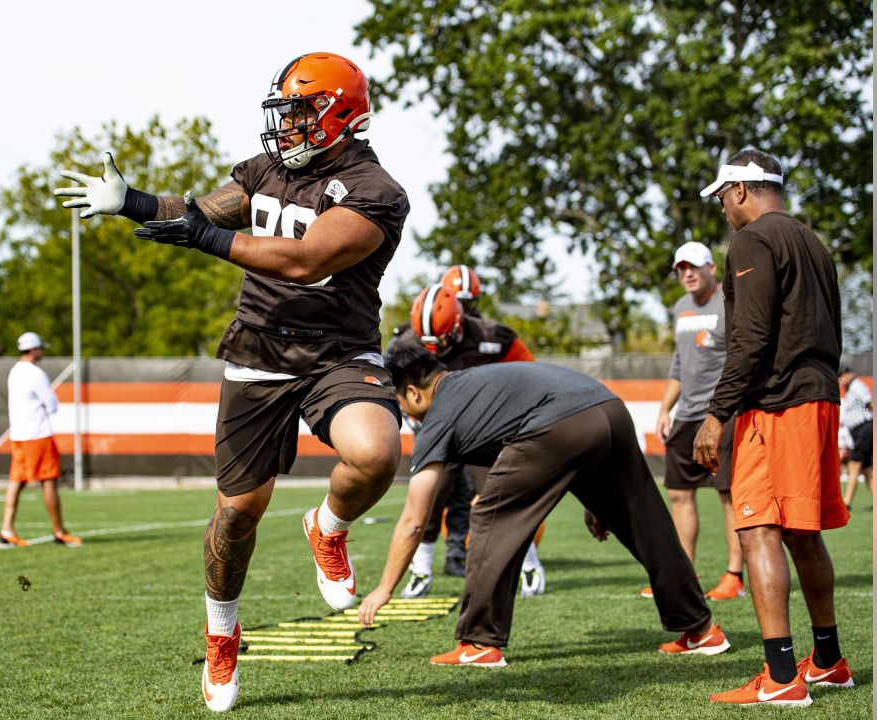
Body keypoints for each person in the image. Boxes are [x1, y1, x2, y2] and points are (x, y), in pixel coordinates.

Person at [55, 52, 408, 713]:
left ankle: (328, 527)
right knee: (236, 516)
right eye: (287, 113)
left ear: (340, 116)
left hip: (337, 352)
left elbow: (303, 261)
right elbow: (202, 211)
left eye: (301, 114)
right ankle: (222, 635)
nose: (288, 127)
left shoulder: (375, 190)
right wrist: (132, 202)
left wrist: (203, 239)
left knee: (377, 452)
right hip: (256, 351)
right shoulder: (267, 169)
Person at [360, 344, 730, 667]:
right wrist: (601, 499)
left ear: (413, 391)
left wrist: (385, 588)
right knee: (648, 524)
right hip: (608, 408)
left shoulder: (440, 411)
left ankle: (478, 642)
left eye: (402, 406)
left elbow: (414, 518)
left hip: (562, 423)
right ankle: (700, 629)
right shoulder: (476, 383)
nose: (408, 417)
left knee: (490, 516)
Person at [693, 149, 853, 707]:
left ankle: (781, 676)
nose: (722, 210)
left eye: (721, 199)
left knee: (758, 528)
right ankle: (828, 662)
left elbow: (752, 338)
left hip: (778, 402)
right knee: (803, 532)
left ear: (739, 191)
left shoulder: (751, 240)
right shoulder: (813, 240)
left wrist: (716, 415)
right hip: (819, 395)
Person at [388, 283, 544, 598]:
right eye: (426, 341)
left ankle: (529, 565)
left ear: (459, 326)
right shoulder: (405, 342)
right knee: (429, 499)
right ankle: (421, 571)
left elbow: (530, 373)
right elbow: (393, 386)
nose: (433, 349)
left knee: (500, 495)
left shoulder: (490, 336)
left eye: (441, 340)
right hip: (438, 430)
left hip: (483, 431)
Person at [640, 241, 745, 601]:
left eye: (693, 267)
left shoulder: (728, 304)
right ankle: (685, 573)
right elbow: (678, 364)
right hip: (685, 415)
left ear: (711, 269)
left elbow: (741, 358)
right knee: (678, 493)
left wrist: (727, 408)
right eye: (680, 268)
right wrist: (664, 409)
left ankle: (734, 575)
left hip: (721, 414)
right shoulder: (680, 308)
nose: (687, 273)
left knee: (728, 494)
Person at [0, 332, 83, 549]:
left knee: (16, 482)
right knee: (49, 481)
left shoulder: (15, 371)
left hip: (18, 435)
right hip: (37, 435)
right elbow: (52, 404)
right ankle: (59, 531)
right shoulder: (35, 373)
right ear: (34, 349)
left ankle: (6, 529)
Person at [838, 363, 873, 510]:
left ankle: (846, 502)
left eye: (840, 376)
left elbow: (870, 403)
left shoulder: (857, 385)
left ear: (848, 374)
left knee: (854, 464)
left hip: (864, 428)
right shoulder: (851, 388)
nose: (839, 380)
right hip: (860, 430)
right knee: (867, 469)